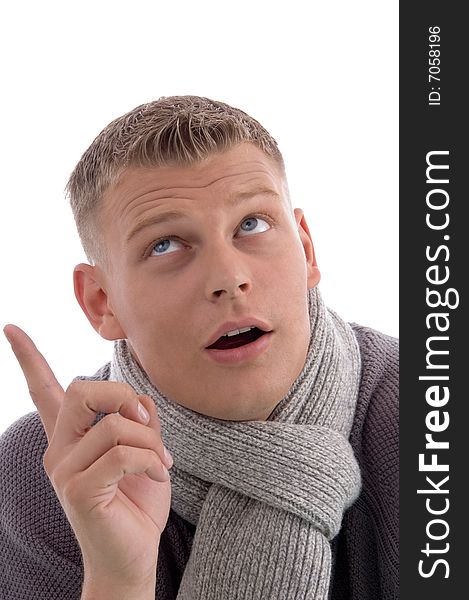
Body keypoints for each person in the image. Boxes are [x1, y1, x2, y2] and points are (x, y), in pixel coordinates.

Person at [0, 96, 398, 600]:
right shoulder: (49, 469)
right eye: (165, 245)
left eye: (251, 224)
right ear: (102, 303)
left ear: (306, 249)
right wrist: (118, 580)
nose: (229, 279)